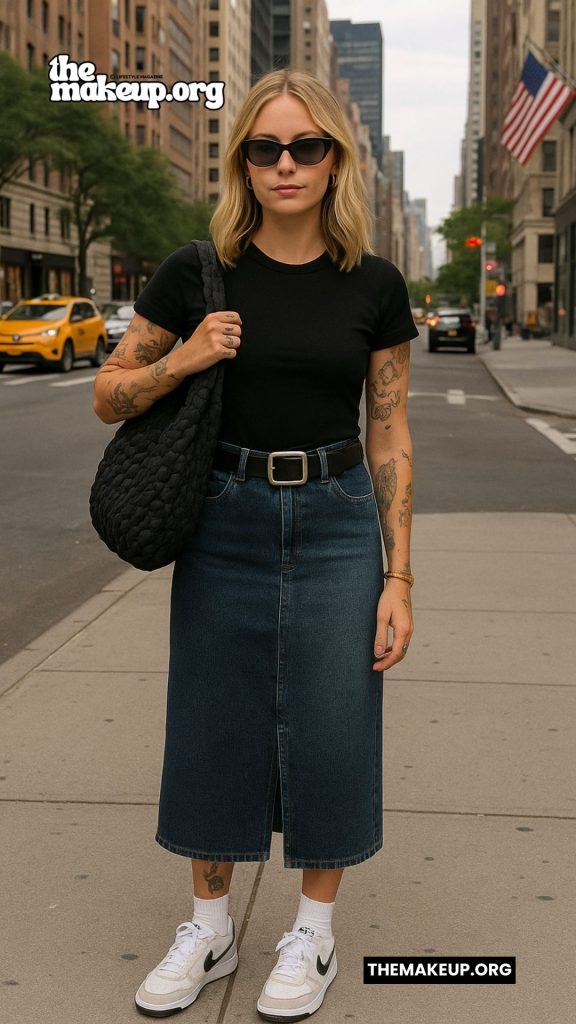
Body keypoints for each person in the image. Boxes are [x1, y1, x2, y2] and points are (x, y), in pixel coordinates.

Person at [93, 67, 418, 1021]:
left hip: (336, 514)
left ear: (334, 162)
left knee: (331, 718)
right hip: (224, 513)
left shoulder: (375, 284)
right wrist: (185, 356)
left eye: (305, 147)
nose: (285, 163)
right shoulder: (199, 270)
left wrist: (400, 574)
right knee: (212, 720)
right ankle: (209, 925)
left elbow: (391, 432)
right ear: (241, 159)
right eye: (265, 147)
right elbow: (107, 391)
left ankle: (313, 933)